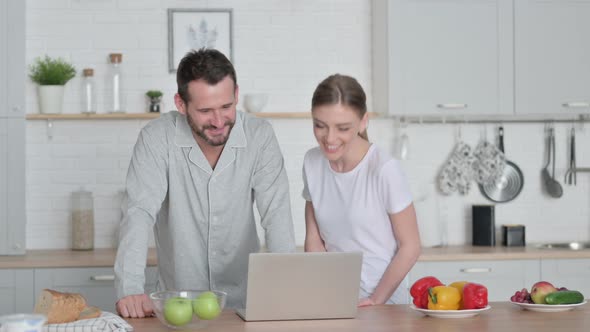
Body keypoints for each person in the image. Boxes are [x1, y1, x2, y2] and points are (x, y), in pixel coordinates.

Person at [114, 48, 296, 317]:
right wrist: (129, 287)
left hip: (245, 304)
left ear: (236, 95)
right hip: (177, 304)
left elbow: (277, 215)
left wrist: (288, 292)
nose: (219, 121)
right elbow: (138, 213)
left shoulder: (260, 137)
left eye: (226, 106)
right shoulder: (156, 138)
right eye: (205, 110)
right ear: (180, 103)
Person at [302, 74, 421, 306]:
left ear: (363, 121)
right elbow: (314, 241)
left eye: (343, 128)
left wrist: (375, 300)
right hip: (335, 299)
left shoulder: (384, 169)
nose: (330, 138)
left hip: (385, 304)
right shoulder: (312, 162)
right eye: (320, 126)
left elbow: (411, 246)